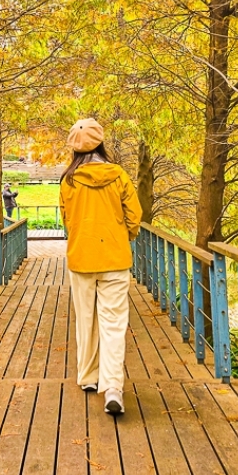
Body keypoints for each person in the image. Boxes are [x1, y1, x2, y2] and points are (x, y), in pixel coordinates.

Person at [59, 118, 142, 414]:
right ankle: (113, 387)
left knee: (85, 319)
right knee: (114, 323)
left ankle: (88, 377)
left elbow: (67, 219)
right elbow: (135, 214)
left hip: (81, 257)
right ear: (101, 142)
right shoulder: (118, 175)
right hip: (115, 258)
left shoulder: (68, 180)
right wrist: (124, 235)